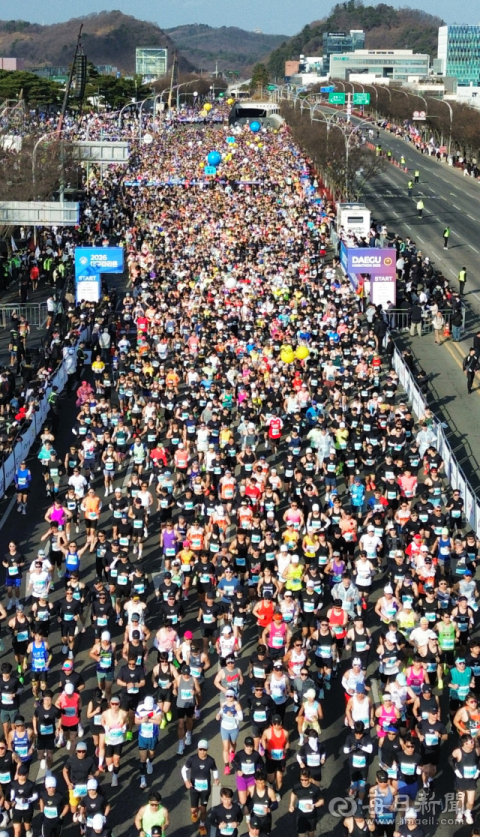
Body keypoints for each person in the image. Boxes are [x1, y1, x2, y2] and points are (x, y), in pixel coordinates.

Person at [288, 768, 324, 837]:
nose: (303, 782)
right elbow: (293, 793)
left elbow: (321, 801)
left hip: (311, 817)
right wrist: (291, 805)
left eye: (306, 780)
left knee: (311, 834)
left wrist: (313, 806)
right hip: (300, 816)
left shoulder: (315, 788)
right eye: (302, 780)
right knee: (301, 835)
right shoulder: (297, 787)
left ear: (310, 778)